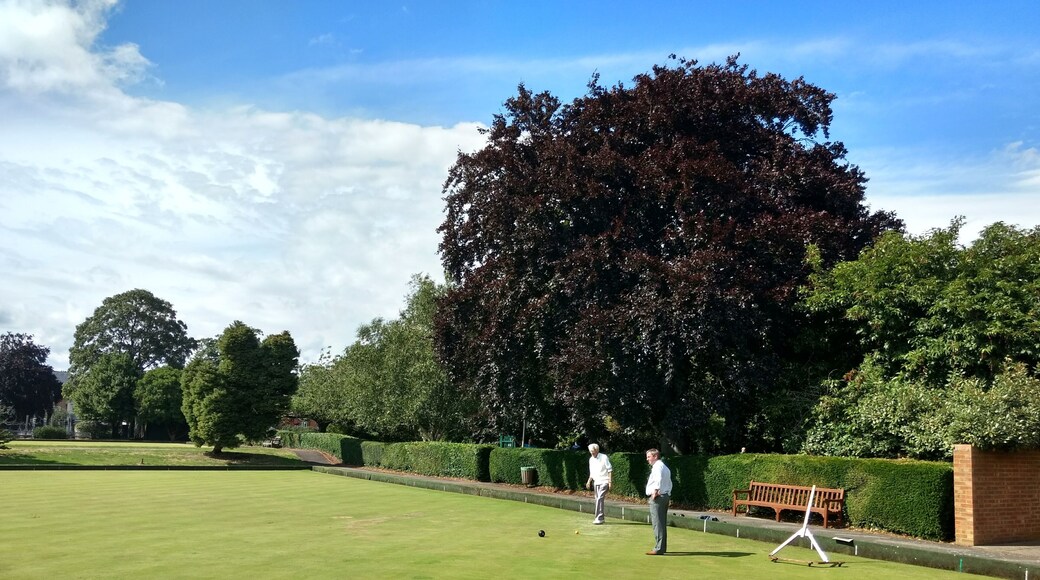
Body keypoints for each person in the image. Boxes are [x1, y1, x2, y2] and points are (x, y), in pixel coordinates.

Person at [644, 448, 672, 555]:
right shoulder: (664, 467)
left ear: (655, 456)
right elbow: (669, 483)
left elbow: (658, 479)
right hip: (664, 496)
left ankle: (659, 548)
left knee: (657, 523)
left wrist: (655, 491)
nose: (647, 459)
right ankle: (661, 547)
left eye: (649, 457)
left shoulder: (657, 466)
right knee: (661, 523)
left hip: (658, 497)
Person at [584, 443, 613, 524]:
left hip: (604, 481)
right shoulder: (591, 459)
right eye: (590, 451)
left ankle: (599, 518)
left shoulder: (604, 457)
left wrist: (610, 482)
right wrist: (589, 481)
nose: (592, 453)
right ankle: (601, 518)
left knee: (600, 498)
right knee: (597, 499)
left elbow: (609, 469)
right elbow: (592, 472)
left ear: (597, 450)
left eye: (593, 451)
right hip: (596, 482)